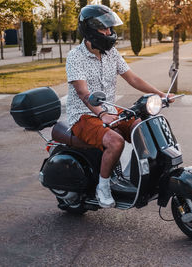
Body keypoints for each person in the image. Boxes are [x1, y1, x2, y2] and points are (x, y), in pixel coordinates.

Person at [66, 5, 173, 208]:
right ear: (89, 29)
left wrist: (160, 94)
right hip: (83, 116)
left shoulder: (111, 53)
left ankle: (141, 176)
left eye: (110, 28)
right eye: (104, 29)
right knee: (115, 142)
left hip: (110, 111)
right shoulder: (75, 57)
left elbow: (132, 78)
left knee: (142, 128)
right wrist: (102, 114)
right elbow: (83, 93)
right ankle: (103, 186)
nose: (109, 33)